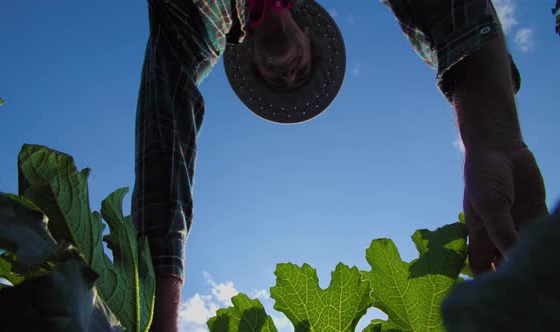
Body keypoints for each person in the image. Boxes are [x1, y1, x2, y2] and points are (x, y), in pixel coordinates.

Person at [132, 0, 548, 331]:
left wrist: (495, 139)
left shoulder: (192, 17)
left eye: (288, 78)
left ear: (310, 34)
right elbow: (164, 145)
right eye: (291, 77)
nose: (290, 76)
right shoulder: (190, 25)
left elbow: (162, 130)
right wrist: (495, 135)